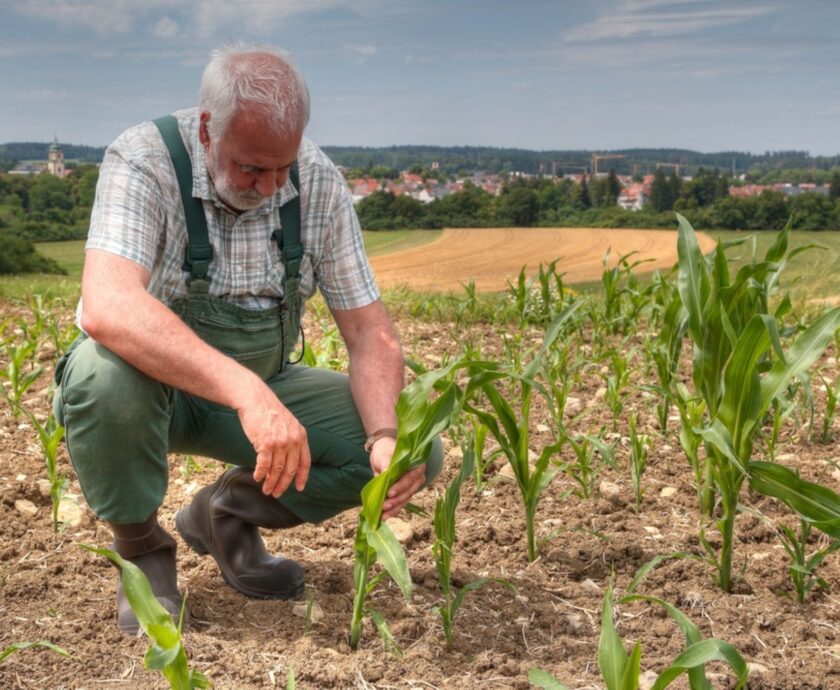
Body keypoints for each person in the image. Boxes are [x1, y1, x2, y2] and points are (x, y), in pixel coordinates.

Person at [53, 43, 443, 634]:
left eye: (282, 167)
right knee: (101, 376)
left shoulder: (315, 181)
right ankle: (142, 553)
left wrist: (387, 436)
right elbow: (109, 306)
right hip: (150, 391)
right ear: (208, 130)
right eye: (252, 168)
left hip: (261, 388)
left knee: (419, 448)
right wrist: (245, 392)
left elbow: (369, 332)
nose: (270, 187)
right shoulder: (144, 160)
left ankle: (224, 513)